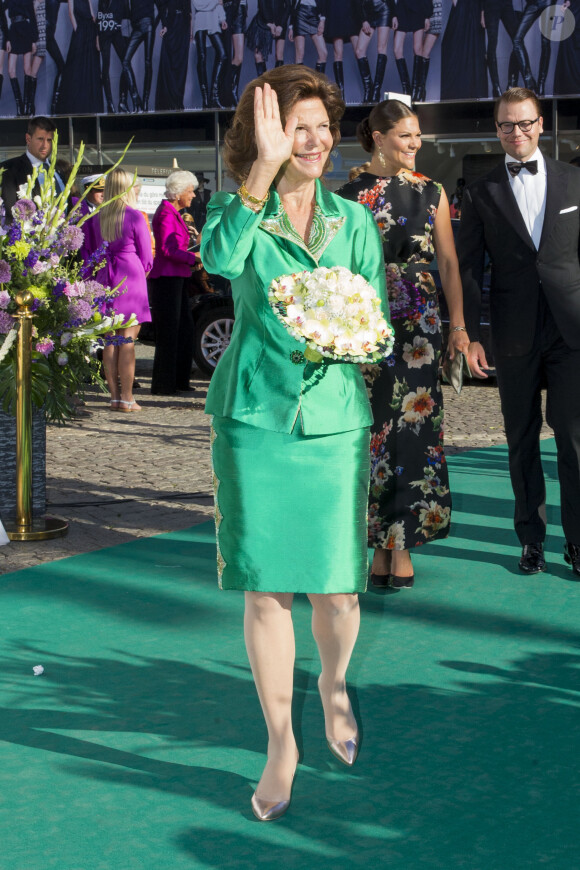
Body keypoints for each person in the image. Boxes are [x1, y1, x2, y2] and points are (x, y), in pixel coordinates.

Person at [200, 65, 388, 821]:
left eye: (320, 126)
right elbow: (218, 260)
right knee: (265, 588)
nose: (312, 140)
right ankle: (281, 739)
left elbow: (374, 319)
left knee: (338, 591)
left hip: (335, 420)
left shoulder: (357, 221)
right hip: (254, 420)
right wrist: (264, 170)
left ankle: (333, 682)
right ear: (266, 138)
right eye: (294, 128)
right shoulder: (235, 209)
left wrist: (350, 339)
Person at [337, 99, 469, 589]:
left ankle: (404, 543)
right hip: (367, 319)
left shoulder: (431, 191)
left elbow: (450, 264)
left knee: (415, 430)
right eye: (405, 136)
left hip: (422, 326)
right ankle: (376, 543)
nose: (415, 145)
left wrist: (458, 326)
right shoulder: (346, 196)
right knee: (372, 434)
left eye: (418, 136)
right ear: (377, 137)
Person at [458, 87, 580, 579]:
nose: (516, 133)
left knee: (573, 441)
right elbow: (469, 268)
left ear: (540, 124)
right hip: (510, 333)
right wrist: (469, 333)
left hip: (571, 331)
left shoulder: (575, 181)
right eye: (506, 125)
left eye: (525, 123)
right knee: (521, 439)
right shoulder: (481, 189)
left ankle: (577, 541)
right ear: (496, 129)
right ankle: (531, 540)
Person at [83, 169, 153, 410]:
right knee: (128, 340)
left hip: (104, 278)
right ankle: (128, 397)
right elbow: (146, 257)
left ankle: (113, 397)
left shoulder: (95, 219)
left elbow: (88, 256)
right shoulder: (134, 216)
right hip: (130, 276)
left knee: (110, 341)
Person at [149, 169, 197, 395]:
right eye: (190, 191)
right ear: (178, 193)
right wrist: (193, 258)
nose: (194, 195)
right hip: (167, 279)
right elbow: (168, 249)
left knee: (184, 330)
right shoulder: (167, 213)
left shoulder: (173, 212)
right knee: (170, 332)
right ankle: (164, 384)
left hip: (177, 277)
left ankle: (179, 380)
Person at [0, 115, 63, 216]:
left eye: (49, 140)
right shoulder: (8, 170)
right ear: (28, 139)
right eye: (40, 139)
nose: (45, 145)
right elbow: (8, 215)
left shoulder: (60, 171)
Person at [56, 0, 103, 114]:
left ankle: (90, 105)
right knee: (76, 67)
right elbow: (71, 13)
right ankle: (76, 106)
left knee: (91, 66)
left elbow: (92, 16)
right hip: (81, 30)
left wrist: (96, 34)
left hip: (91, 31)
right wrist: (78, 30)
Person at [440, 0, 487, 100]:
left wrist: (483, 11)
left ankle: (474, 93)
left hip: (476, 7)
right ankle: (455, 94)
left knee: (475, 49)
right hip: (462, 5)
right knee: (452, 45)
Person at [354, 0, 395, 103]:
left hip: (384, 7)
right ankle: (368, 89)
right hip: (367, 9)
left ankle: (376, 91)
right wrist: (363, 19)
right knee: (359, 51)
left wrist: (394, 15)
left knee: (381, 48)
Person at [155, 0, 192, 111]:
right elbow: (160, 5)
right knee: (169, 63)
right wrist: (165, 24)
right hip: (172, 23)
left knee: (182, 63)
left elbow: (189, 11)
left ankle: (178, 101)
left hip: (184, 25)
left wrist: (191, 31)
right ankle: (169, 102)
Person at [392, 0, 432, 97]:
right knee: (397, 50)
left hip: (418, 7)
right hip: (402, 8)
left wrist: (427, 16)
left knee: (417, 49)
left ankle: (415, 89)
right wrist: (394, 15)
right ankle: (406, 90)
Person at [5, 0, 39, 115]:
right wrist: (7, 39)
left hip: (25, 29)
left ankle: (26, 107)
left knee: (27, 69)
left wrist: (34, 40)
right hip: (13, 31)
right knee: (11, 70)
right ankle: (19, 106)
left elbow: (33, 18)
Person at [193, 0, 228, 108]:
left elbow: (219, 4)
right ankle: (206, 100)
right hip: (199, 21)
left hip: (212, 21)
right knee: (202, 57)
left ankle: (214, 96)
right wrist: (216, 2)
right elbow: (198, 4)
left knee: (222, 55)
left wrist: (222, 19)